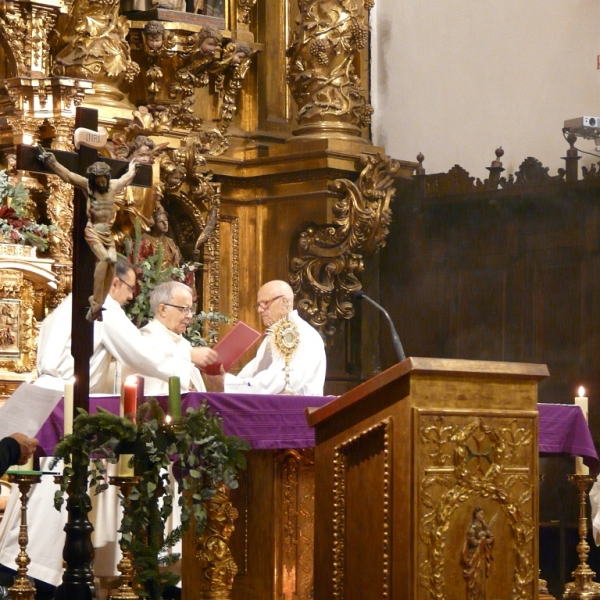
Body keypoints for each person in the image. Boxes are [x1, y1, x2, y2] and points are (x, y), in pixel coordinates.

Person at [36, 256, 216, 393]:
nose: (131, 297)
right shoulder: (103, 307)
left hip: (46, 390)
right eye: (130, 288)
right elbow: (141, 354)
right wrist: (188, 356)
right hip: (65, 397)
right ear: (115, 283)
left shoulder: (71, 301)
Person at [38, 148, 139, 321]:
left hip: (106, 232)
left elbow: (126, 179)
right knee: (106, 259)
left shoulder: (112, 187)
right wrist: (52, 162)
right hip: (93, 230)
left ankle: (100, 302)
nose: (101, 183)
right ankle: (95, 301)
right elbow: (68, 176)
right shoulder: (88, 187)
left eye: (103, 180)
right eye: (98, 181)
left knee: (113, 263)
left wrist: (132, 169)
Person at [204, 280, 326, 395]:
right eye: (258, 305)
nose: (260, 310)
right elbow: (253, 372)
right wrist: (227, 379)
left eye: (265, 303)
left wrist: (228, 382)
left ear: (284, 301)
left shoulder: (300, 334)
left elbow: (280, 382)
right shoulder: (274, 334)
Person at [122, 281, 207, 395]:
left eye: (190, 309)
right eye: (184, 309)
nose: (190, 316)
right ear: (163, 309)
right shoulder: (146, 342)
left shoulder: (183, 344)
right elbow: (148, 398)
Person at [461, 506, 494, 600]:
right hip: (474, 556)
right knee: (475, 580)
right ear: (476, 515)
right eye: (480, 513)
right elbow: (471, 541)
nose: (482, 516)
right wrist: (481, 540)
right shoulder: (472, 527)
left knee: (481, 579)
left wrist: (488, 540)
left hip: (482, 556)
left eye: (482, 514)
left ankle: (481, 596)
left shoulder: (483, 525)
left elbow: (491, 536)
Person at [142, 204, 182, 268]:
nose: (165, 223)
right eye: (160, 221)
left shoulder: (170, 242)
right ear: (153, 224)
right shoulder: (146, 240)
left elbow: (177, 264)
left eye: (166, 220)